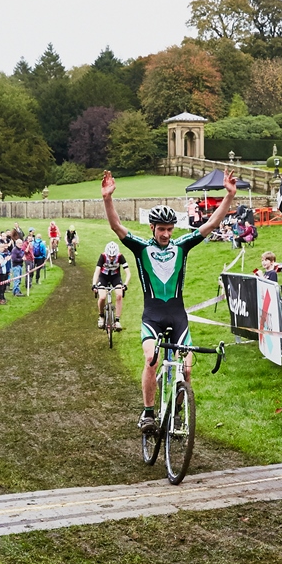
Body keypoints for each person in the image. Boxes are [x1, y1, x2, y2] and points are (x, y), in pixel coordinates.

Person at [101, 168, 239, 435]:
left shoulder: (182, 245)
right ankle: (148, 413)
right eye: (161, 229)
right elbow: (117, 226)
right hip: (152, 315)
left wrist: (229, 196)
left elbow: (210, 225)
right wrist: (108, 198)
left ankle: (176, 412)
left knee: (187, 370)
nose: (165, 234)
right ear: (152, 228)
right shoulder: (141, 248)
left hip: (178, 316)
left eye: (169, 229)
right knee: (151, 359)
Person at [93, 241, 129, 330]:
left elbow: (128, 273)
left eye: (114, 256)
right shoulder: (103, 256)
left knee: (119, 294)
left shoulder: (120, 257)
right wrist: (94, 284)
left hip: (115, 277)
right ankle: (101, 316)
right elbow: (97, 271)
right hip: (103, 277)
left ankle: (117, 320)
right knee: (102, 297)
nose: (112, 258)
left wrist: (125, 284)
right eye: (110, 256)